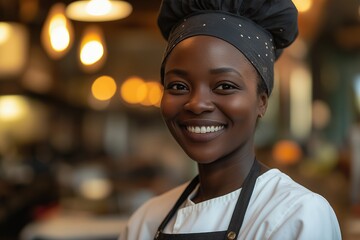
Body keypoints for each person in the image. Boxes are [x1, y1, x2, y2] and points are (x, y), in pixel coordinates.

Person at [120, 0, 342, 239]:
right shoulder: (145, 220)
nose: (197, 103)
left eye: (225, 85)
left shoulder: (295, 215)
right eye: (178, 86)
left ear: (262, 101)